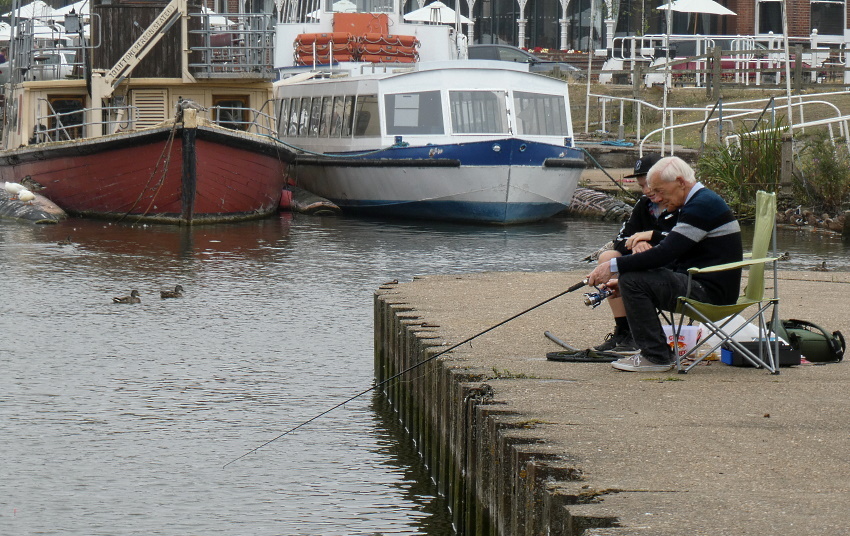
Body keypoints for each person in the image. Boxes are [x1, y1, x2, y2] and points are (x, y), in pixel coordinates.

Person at [587, 156, 743, 372]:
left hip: (710, 292)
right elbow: (673, 255)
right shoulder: (699, 202)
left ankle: (656, 356)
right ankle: (653, 351)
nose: (657, 197)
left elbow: (665, 253)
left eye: (660, 190)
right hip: (700, 282)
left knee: (633, 279)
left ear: (680, 182)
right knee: (630, 279)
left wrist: (613, 267)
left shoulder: (702, 205)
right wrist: (620, 280)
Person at [592, 153, 679, 354]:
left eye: (650, 185)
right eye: (642, 186)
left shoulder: (682, 205)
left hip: (670, 267)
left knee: (627, 272)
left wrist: (648, 238)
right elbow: (620, 239)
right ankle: (625, 331)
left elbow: (679, 240)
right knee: (607, 257)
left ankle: (641, 336)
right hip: (643, 262)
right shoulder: (643, 205)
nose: (647, 191)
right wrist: (637, 242)